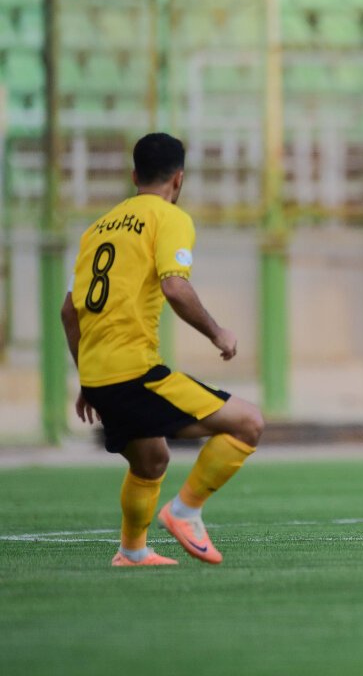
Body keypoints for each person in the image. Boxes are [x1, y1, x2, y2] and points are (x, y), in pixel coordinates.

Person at [61, 132, 265, 566]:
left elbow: (68, 311)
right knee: (248, 423)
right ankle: (185, 512)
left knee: (151, 460)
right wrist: (217, 333)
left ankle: (132, 551)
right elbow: (175, 286)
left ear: (134, 175)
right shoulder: (169, 217)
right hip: (133, 372)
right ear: (179, 179)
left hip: (99, 375)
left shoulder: (97, 228)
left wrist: (87, 378)